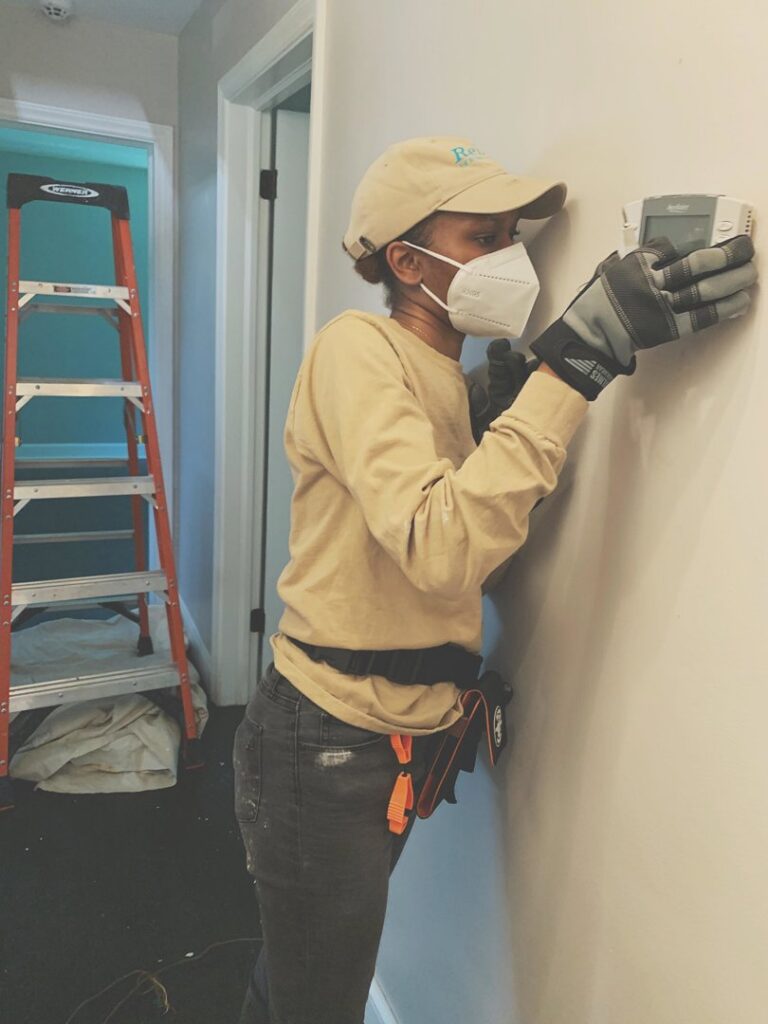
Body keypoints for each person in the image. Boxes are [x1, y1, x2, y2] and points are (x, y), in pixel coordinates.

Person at [233, 136, 756, 1024]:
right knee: (318, 997)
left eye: (514, 237)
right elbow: (445, 551)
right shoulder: (355, 349)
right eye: (484, 238)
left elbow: (481, 556)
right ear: (407, 260)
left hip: (381, 743)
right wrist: (573, 365)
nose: (511, 258)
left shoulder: (438, 380)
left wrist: (494, 410)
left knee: (303, 976)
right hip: (323, 745)